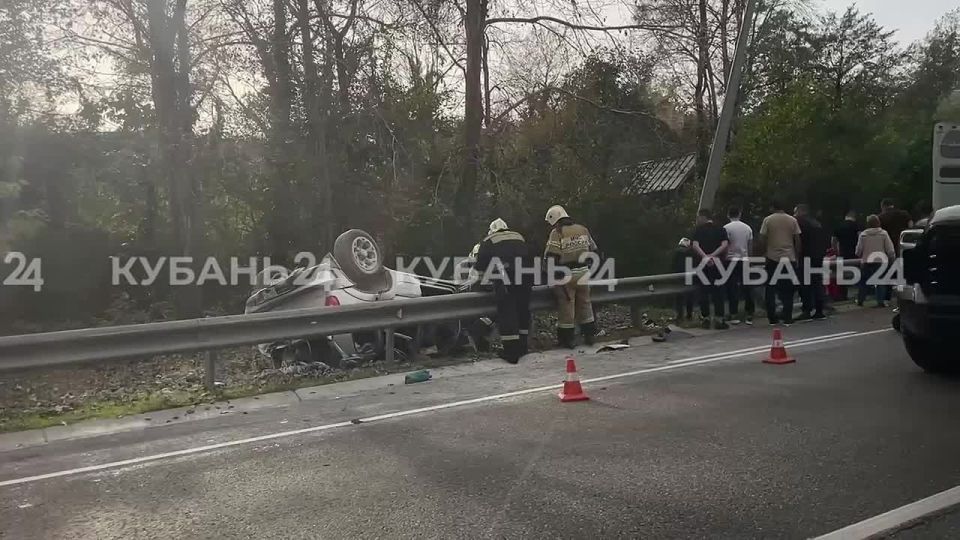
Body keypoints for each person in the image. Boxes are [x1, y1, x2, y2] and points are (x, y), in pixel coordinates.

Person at [474, 218, 532, 363]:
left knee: (508, 312)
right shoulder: (518, 236)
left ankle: (511, 353)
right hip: (527, 276)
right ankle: (523, 347)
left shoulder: (489, 240)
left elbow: (480, 266)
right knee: (523, 310)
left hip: (506, 277)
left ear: (492, 230)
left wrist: (483, 284)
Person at [544, 205, 598, 348]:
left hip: (566, 275)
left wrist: (551, 275)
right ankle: (590, 336)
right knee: (586, 304)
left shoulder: (557, 232)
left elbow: (551, 256)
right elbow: (594, 250)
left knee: (567, 308)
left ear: (555, 219)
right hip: (584, 272)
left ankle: (568, 340)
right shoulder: (582, 229)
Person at [759, 200, 801, 326]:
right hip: (789, 258)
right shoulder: (792, 220)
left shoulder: (768, 220)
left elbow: (762, 238)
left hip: (773, 258)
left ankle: (772, 318)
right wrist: (797, 256)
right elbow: (797, 240)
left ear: (772, 207)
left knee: (770, 288)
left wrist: (764, 252)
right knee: (788, 289)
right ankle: (787, 316)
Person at [692, 208, 730, 330]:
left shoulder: (698, 230)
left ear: (703, 217)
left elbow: (695, 245)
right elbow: (724, 245)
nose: (697, 220)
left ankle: (706, 319)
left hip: (703, 264)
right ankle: (719, 319)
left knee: (704, 291)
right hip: (718, 263)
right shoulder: (720, 229)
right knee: (718, 291)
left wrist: (705, 257)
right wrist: (713, 256)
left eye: (698, 217)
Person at [795, 204, 828, 321]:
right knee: (817, 282)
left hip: (806, 256)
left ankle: (806, 309)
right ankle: (819, 309)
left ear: (799, 211)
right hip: (818, 256)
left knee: (805, 284)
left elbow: (798, 239)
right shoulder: (816, 223)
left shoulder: (799, 222)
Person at [855, 214, 896, 308]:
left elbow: (858, 251)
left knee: (863, 282)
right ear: (878, 222)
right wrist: (892, 258)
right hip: (881, 261)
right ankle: (880, 301)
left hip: (867, 261)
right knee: (880, 281)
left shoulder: (863, 235)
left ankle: (860, 300)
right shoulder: (883, 233)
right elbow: (890, 249)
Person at [723, 206, 755, 325]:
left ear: (728, 215)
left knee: (732, 287)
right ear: (739, 214)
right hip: (744, 259)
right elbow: (750, 245)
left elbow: (725, 245)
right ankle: (749, 314)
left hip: (730, 260)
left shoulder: (726, 228)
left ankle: (733, 314)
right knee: (747, 287)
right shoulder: (747, 228)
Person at [831, 209, 861, 300]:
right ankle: (859, 294)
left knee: (841, 274)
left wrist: (836, 251)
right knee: (858, 273)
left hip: (842, 252)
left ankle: (843, 295)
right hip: (855, 252)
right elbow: (860, 238)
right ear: (854, 217)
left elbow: (833, 240)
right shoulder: (857, 226)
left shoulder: (839, 225)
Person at [671, 237, 696, 321]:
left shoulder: (676, 252)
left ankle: (680, 315)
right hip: (689, 274)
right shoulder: (691, 252)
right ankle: (689, 315)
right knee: (689, 296)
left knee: (679, 296)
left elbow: (673, 264)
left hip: (679, 275)